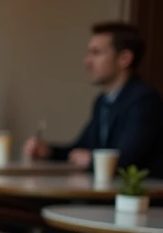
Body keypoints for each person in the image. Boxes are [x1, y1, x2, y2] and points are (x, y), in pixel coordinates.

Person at [24, 22, 163, 176]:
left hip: (134, 197)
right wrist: (48, 151)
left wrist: (91, 161)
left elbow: (127, 161)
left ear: (124, 58)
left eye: (96, 53)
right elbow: (81, 148)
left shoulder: (144, 101)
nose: (87, 61)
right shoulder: (103, 101)